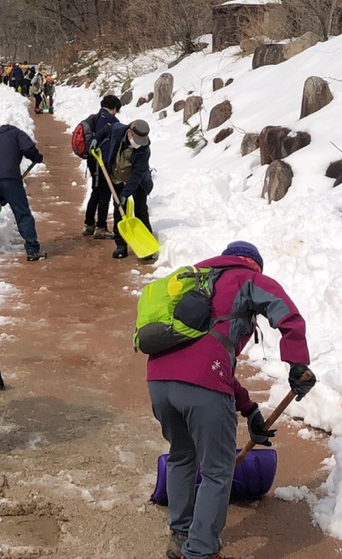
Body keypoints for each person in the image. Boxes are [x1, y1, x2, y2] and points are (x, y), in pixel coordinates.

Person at [147, 241, 315, 559]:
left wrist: (249, 409)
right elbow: (286, 313)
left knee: (182, 456)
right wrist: (298, 362)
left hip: (159, 382)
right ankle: (200, 550)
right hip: (203, 383)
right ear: (254, 264)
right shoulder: (246, 277)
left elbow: (209, 363)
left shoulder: (194, 281)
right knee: (217, 470)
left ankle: (182, 535)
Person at [0, 122, 47, 260]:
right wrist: (37, 157)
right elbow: (28, 148)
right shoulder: (16, 133)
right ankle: (32, 249)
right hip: (10, 178)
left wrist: (2, 194)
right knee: (22, 213)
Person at [103, 118, 154, 260]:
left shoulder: (144, 150)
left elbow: (137, 175)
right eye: (137, 140)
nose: (139, 144)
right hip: (117, 177)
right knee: (119, 211)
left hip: (138, 182)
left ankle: (146, 245)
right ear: (130, 133)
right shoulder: (118, 130)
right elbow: (105, 130)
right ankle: (121, 246)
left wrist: (126, 194)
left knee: (141, 210)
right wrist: (95, 139)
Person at [82, 94, 122, 238]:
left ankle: (89, 224)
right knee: (104, 193)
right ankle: (101, 228)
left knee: (96, 191)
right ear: (114, 108)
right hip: (102, 162)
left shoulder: (97, 116)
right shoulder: (111, 120)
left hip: (93, 161)